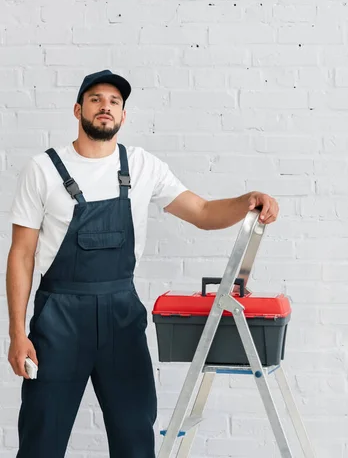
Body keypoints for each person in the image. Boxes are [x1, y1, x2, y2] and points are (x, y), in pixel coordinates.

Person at [6, 69, 279, 458]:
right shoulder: (43, 169)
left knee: (135, 437)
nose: (105, 107)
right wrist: (17, 333)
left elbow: (201, 211)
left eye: (114, 102)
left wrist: (248, 200)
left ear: (123, 116)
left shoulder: (141, 165)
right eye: (96, 99)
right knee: (41, 439)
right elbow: (21, 254)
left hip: (121, 316)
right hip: (59, 321)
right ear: (78, 109)